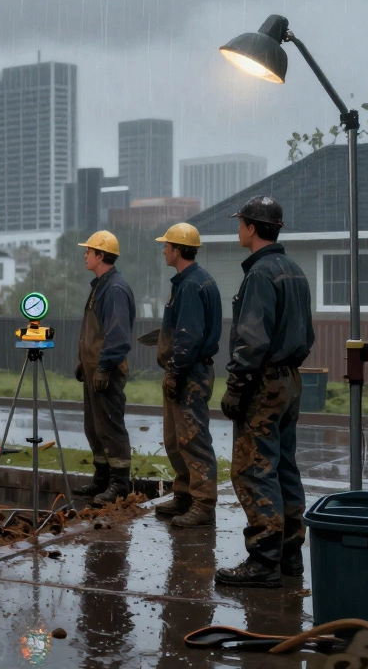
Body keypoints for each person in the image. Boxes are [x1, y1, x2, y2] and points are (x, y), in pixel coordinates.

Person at [216, 195, 313, 588]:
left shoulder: (259, 275)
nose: (238, 229)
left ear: (252, 228)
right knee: (284, 466)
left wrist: (237, 385)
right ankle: (290, 556)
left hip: (263, 381)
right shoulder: (294, 270)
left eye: (241, 223)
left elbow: (251, 339)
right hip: (290, 379)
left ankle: (263, 560)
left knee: (254, 469)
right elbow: (306, 335)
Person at [153, 223, 222, 528]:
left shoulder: (194, 285)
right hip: (181, 370)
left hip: (189, 373)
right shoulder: (185, 282)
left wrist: (176, 371)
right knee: (175, 439)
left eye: (167, 246)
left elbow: (188, 336)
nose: (164, 250)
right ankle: (183, 494)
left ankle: (203, 503)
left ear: (178, 250)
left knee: (193, 439)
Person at [72, 230, 136, 507]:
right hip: (95, 370)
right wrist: (85, 363)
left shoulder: (114, 288)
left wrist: (103, 367)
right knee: (94, 426)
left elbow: (117, 335)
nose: (85, 255)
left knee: (110, 426)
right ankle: (102, 477)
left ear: (100, 255)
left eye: (89, 251)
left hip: (106, 372)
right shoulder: (100, 285)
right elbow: (96, 335)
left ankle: (120, 483)